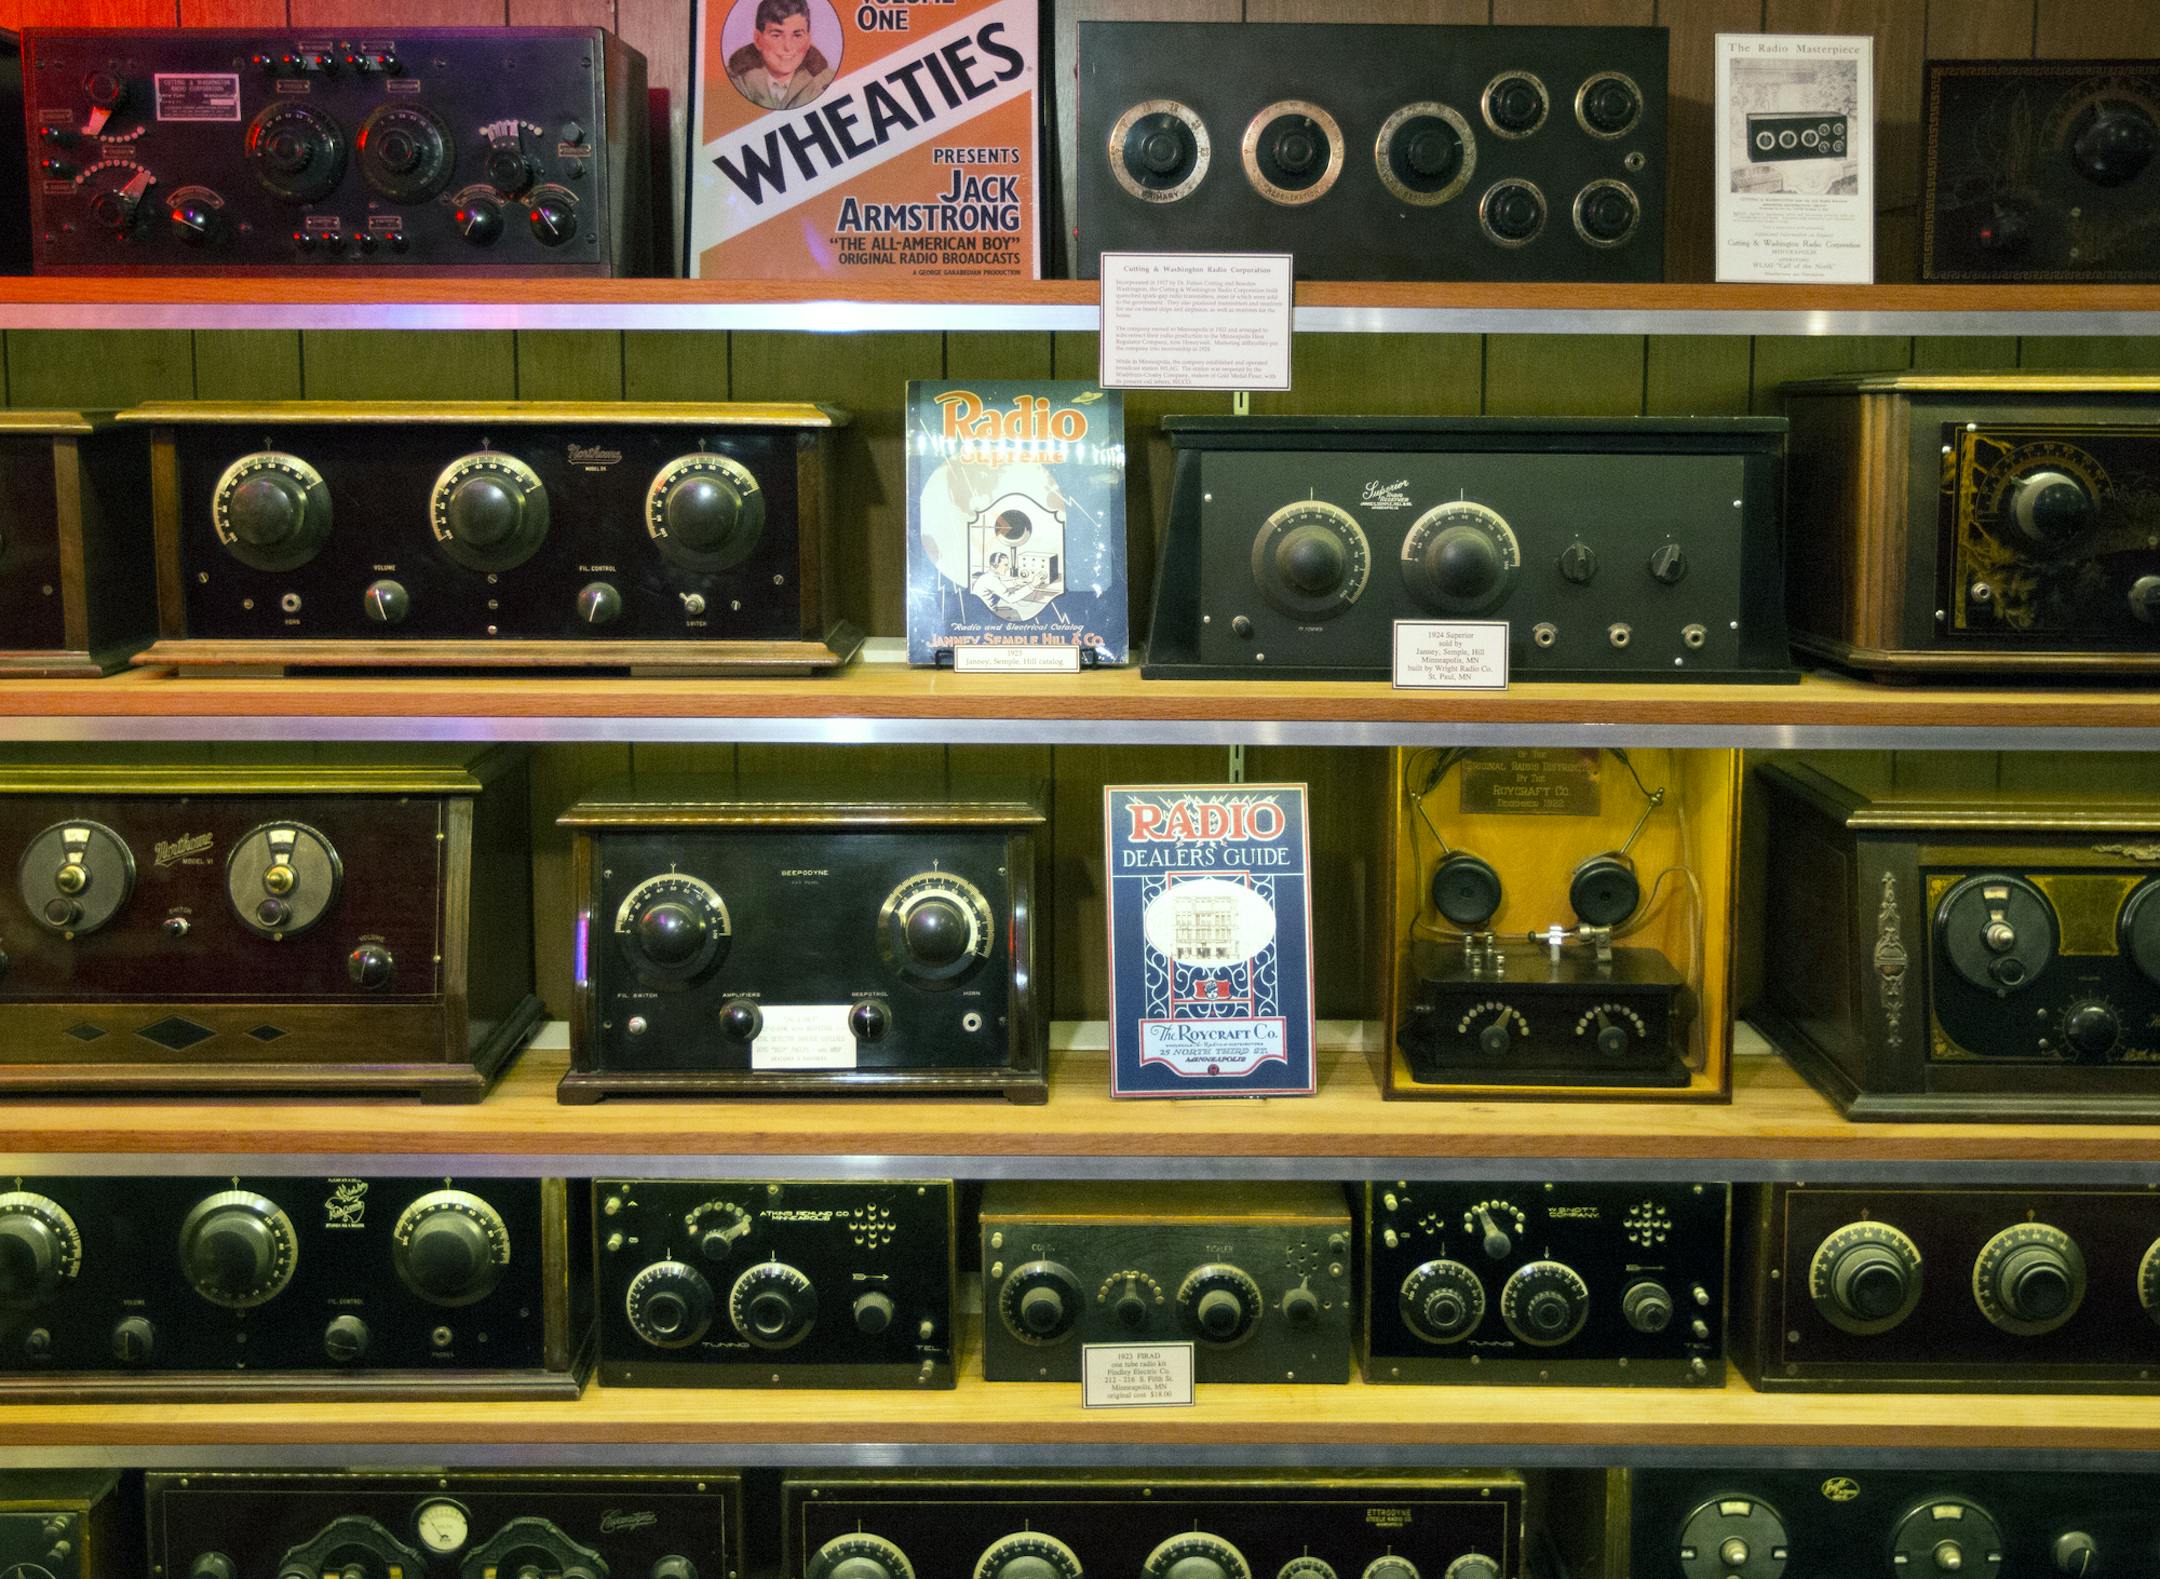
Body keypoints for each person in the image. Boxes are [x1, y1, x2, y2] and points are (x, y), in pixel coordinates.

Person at [728, 0, 835, 111]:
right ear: (758, 40)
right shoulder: (734, 82)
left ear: (808, 41)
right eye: (777, 35)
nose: (788, 47)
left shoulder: (828, 82)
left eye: (797, 35)